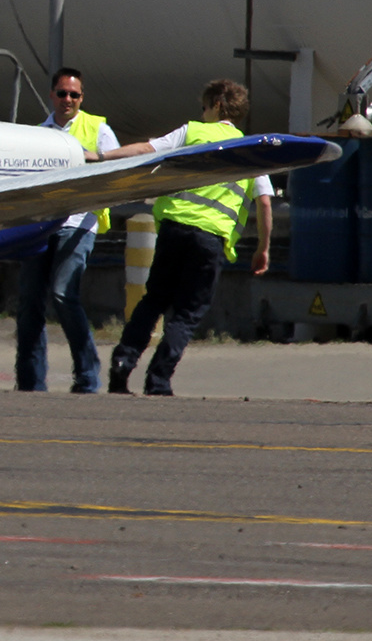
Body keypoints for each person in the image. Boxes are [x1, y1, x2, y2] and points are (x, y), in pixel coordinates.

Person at [96, 79, 273, 396]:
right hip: (209, 241)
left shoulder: (191, 132)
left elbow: (146, 149)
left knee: (154, 300)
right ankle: (158, 380)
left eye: (204, 107)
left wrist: (102, 157)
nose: (202, 113)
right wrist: (263, 248)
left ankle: (123, 362)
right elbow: (264, 202)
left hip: (173, 230)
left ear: (216, 105)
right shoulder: (251, 149)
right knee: (188, 314)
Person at [15, 68, 118, 393]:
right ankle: (30, 381)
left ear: (82, 98)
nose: (68, 100)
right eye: (62, 93)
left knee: (62, 293)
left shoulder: (98, 129)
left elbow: (117, 170)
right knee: (30, 302)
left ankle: (87, 376)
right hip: (41, 225)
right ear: (52, 95)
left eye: (74, 95)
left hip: (78, 223)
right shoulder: (38, 134)